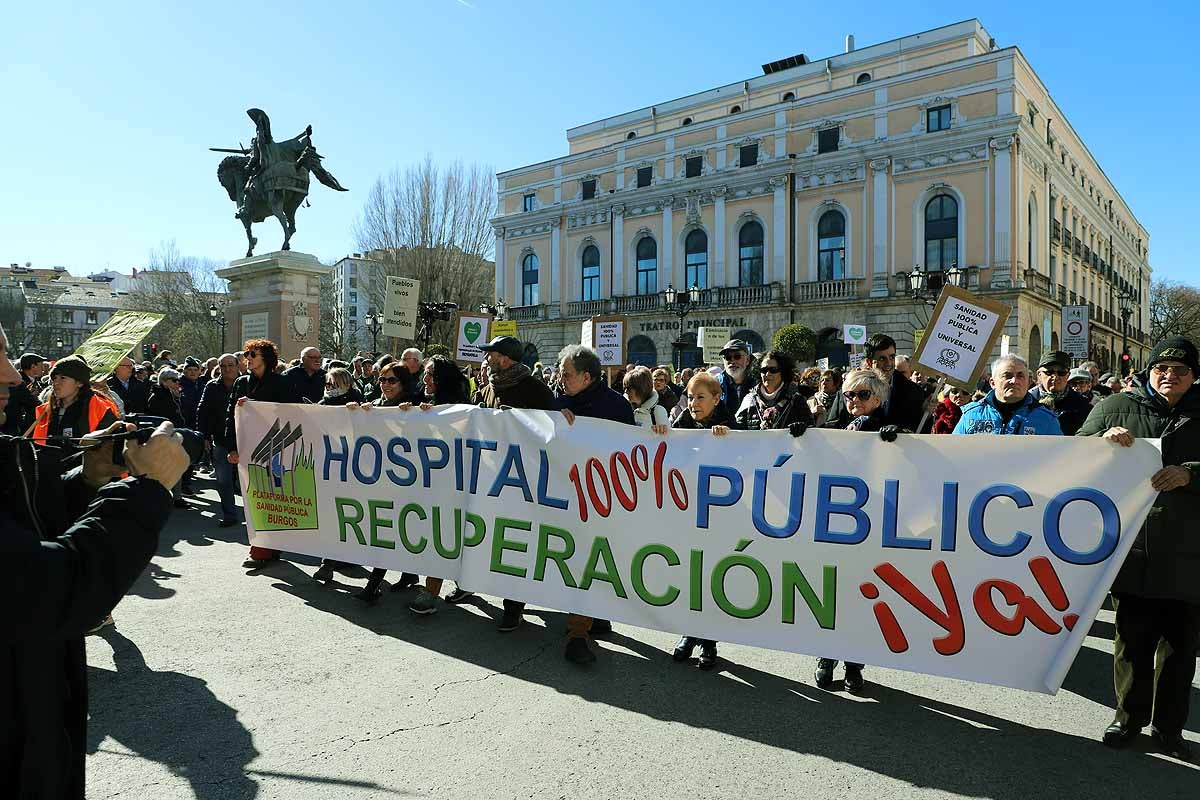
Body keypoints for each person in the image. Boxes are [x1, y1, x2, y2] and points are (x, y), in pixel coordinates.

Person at [0, 317, 191, 798]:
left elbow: (25, 520)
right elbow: (49, 586)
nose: (12, 376)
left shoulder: (90, 407)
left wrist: (86, 478)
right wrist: (147, 492)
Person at [1077, 337, 1200, 761]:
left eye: (1181, 370)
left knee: (1181, 650)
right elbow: (1074, 455)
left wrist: (1191, 475)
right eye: (1162, 368)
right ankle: (1128, 718)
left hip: (1189, 553)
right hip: (1132, 548)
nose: (1170, 376)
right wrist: (1101, 442)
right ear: (1149, 371)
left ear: (1194, 375)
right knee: (1130, 643)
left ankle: (1169, 728)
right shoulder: (1114, 407)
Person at [814, 368, 905, 693]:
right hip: (835, 523)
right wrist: (802, 433)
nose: (855, 401)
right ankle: (826, 657)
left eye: (863, 395)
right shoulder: (836, 426)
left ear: (878, 398)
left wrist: (900, 438)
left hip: (872, 526)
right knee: (832, 596)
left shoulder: (890, 429)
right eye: (850, 394)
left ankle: (854, 665)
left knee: (862, 596)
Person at [475, 336, 558, 631]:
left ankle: (513, 606)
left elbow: (552, 429)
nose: (486, 359)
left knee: (520, 541)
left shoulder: (536, 389)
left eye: (491, 354)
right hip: (493, 476)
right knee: (498, 539)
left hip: (526, 478)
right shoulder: (487, 389)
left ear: (506, 359)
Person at [666, 371, 739, 670]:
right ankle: (689, 633)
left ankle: (709, 642)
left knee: (709, 577)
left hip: (718, 514)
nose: (694, 403)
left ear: (716, 398)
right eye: (691, 397)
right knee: (688, 574)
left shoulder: (731, 424)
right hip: (687, 510)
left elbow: (748, 462)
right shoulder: (682, 422)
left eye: (701, 397)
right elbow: (668, 451)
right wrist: (661, 432)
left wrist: (728, 442)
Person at [392, 355, 473, 615]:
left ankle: (433, 591)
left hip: (453, 484)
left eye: (430, 375)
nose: (424, 379)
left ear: (441, 379)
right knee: (437, 534)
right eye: (425, 373)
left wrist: (439, 418)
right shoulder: (423, 404)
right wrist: (407, 415)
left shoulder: (462, 409)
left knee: (448, 533)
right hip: (429, 482)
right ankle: (447, 585)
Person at [352, 361, 422, 603]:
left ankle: (372, 586)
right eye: (382, 380)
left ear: (403, 383)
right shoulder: (377, 405)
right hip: (381, 479)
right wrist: (354, 410)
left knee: (390, 530)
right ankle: (410, 574)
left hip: (405, 481)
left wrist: (411, 414)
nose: (385, 385)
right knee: (387, 529)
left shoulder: (412, 406)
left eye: (391, 380)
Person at [225, 339, 298, 567]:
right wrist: (232, 447)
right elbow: (230, 415)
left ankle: (267, 547)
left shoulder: (280, 382)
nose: (248, 358)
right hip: (248, 447)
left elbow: (292, 410)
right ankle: (263, 547)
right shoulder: (241, 382)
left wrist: (255, 404)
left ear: (266, 357)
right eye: (246, 354)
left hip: (275, 448)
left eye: (253, 354)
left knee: (273, 496)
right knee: (254, 497)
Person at [826, 335, 927, 431]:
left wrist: (901, 432)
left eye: (892, 357)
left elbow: (919, 429)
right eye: (882, 359)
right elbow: (833, 425)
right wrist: (856, 423)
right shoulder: (850, 387)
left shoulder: (913, 391)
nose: (889, 364)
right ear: (869, 362)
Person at [30, 355, 120, 455]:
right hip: (51, 468)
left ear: (80, 383)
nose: (56, 383)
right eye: (54, 378)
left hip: (86, 467)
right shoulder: (46, 410)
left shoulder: (101, 407)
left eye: (62, 378)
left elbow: (109, 449)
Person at [953, 354, 1063, 436]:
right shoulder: (971, 414)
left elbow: (1058, 460)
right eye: (1007, 376)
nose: (1014, 381)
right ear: (992, 383)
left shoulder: (1046, 419)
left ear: (1028, 382)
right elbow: (955, 450)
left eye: (1020, 376)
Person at [197, 354, 242, 527]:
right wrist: (205, 436)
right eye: (223, 366)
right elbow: (203, 412)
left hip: (247, 441)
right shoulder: (212, 386)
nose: (227, 369)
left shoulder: (245, 384)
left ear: (238, 366)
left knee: (249, 480)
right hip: (221, 441)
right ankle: (230, 514)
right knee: (223, 480)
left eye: (231, 365)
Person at [736, 351, 814, 431]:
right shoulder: (749, 399)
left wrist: (803, 428)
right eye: (764, 370)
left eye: (773, 369)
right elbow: (737, 431)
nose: (767, 374)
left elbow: (811, 430)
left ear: (783, 372)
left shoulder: (797, 400)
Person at [1029, 351, 1092, 436]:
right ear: (1039, 374)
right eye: (1049, 372)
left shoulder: (1083, 405)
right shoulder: (1027, 401)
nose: (1055, 377)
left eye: (1061, 372)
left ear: (1068, 375)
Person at [715, 339, 758, 423]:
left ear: (748, 360)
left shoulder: (758, 384)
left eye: (737, 356)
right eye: (728, 358)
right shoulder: (715, 384)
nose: (732, 361)